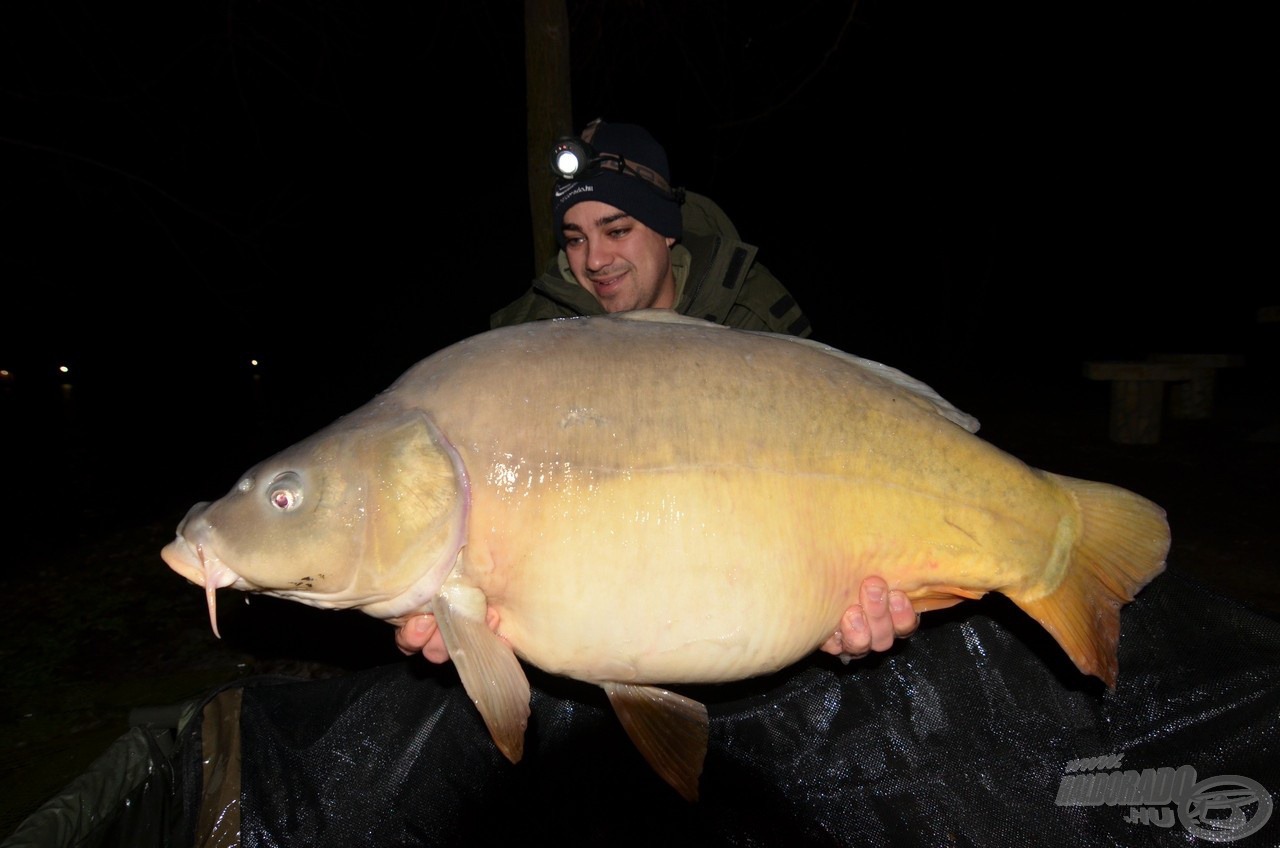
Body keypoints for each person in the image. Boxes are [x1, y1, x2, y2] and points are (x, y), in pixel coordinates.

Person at [395, 120, 918, 664]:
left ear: (668, 229)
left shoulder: (753, 317)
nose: (594, 260)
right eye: (575, 238)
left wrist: (831, 611)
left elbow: (833, 485)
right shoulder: (523, 344)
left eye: (616, 230)